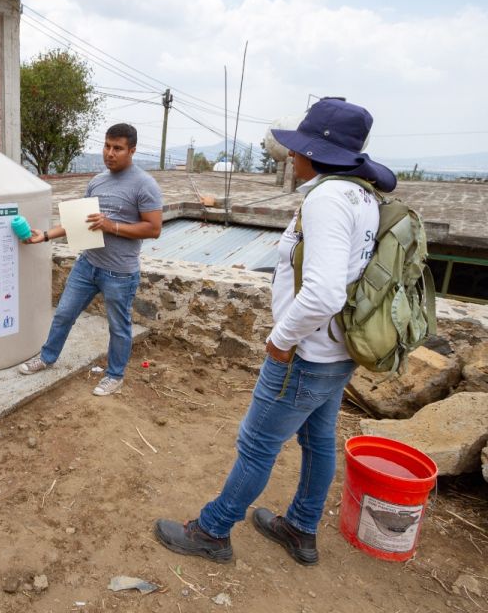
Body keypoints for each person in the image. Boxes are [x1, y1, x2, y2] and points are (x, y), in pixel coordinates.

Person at [153, 98, 396, 565]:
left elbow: (324, 292)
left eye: (296, 148)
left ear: (313, 152)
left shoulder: (326, 199)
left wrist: (281, 338)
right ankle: (301, 528)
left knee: (258, 444)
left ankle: (213, 530)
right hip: (339, 349)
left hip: (306, 353)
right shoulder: (362, 196)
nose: (290, 155)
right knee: (318, 440)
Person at [18, 123, 163, 396]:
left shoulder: (145, 185)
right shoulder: (97, 181)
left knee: (119, 328)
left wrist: (112, 226)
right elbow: (80, 222)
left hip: (120, 273)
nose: (110, 153)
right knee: (63, 314)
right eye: (107, 146)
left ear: (131, 150)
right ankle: (47, 358)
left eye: (118, 148)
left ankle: (115, 375)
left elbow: (154, 228)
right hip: (88, 265)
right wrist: (46, 235)